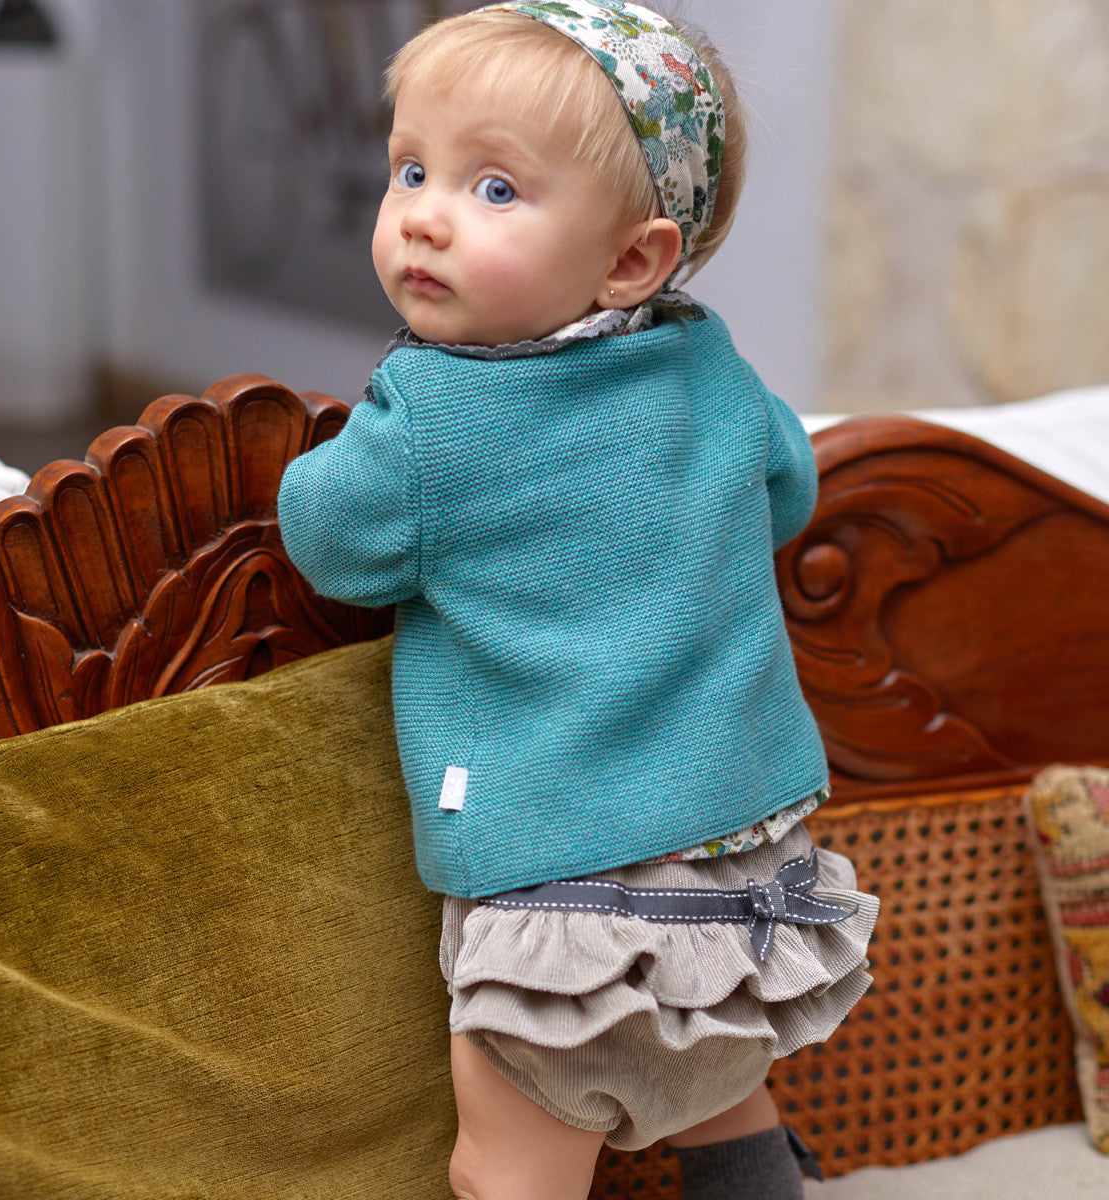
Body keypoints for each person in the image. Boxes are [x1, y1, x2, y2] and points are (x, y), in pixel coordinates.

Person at [277, 3, 879, 1198]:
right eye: (411, 169)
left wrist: (381, 418)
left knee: (507, 1166)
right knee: (716, 1079)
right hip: (746, 855)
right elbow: (788, 485)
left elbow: (327, 540)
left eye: (495, 189)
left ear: (630, 262)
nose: (425, 215)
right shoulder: (707, 360)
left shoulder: (435, 418)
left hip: (564, 882)